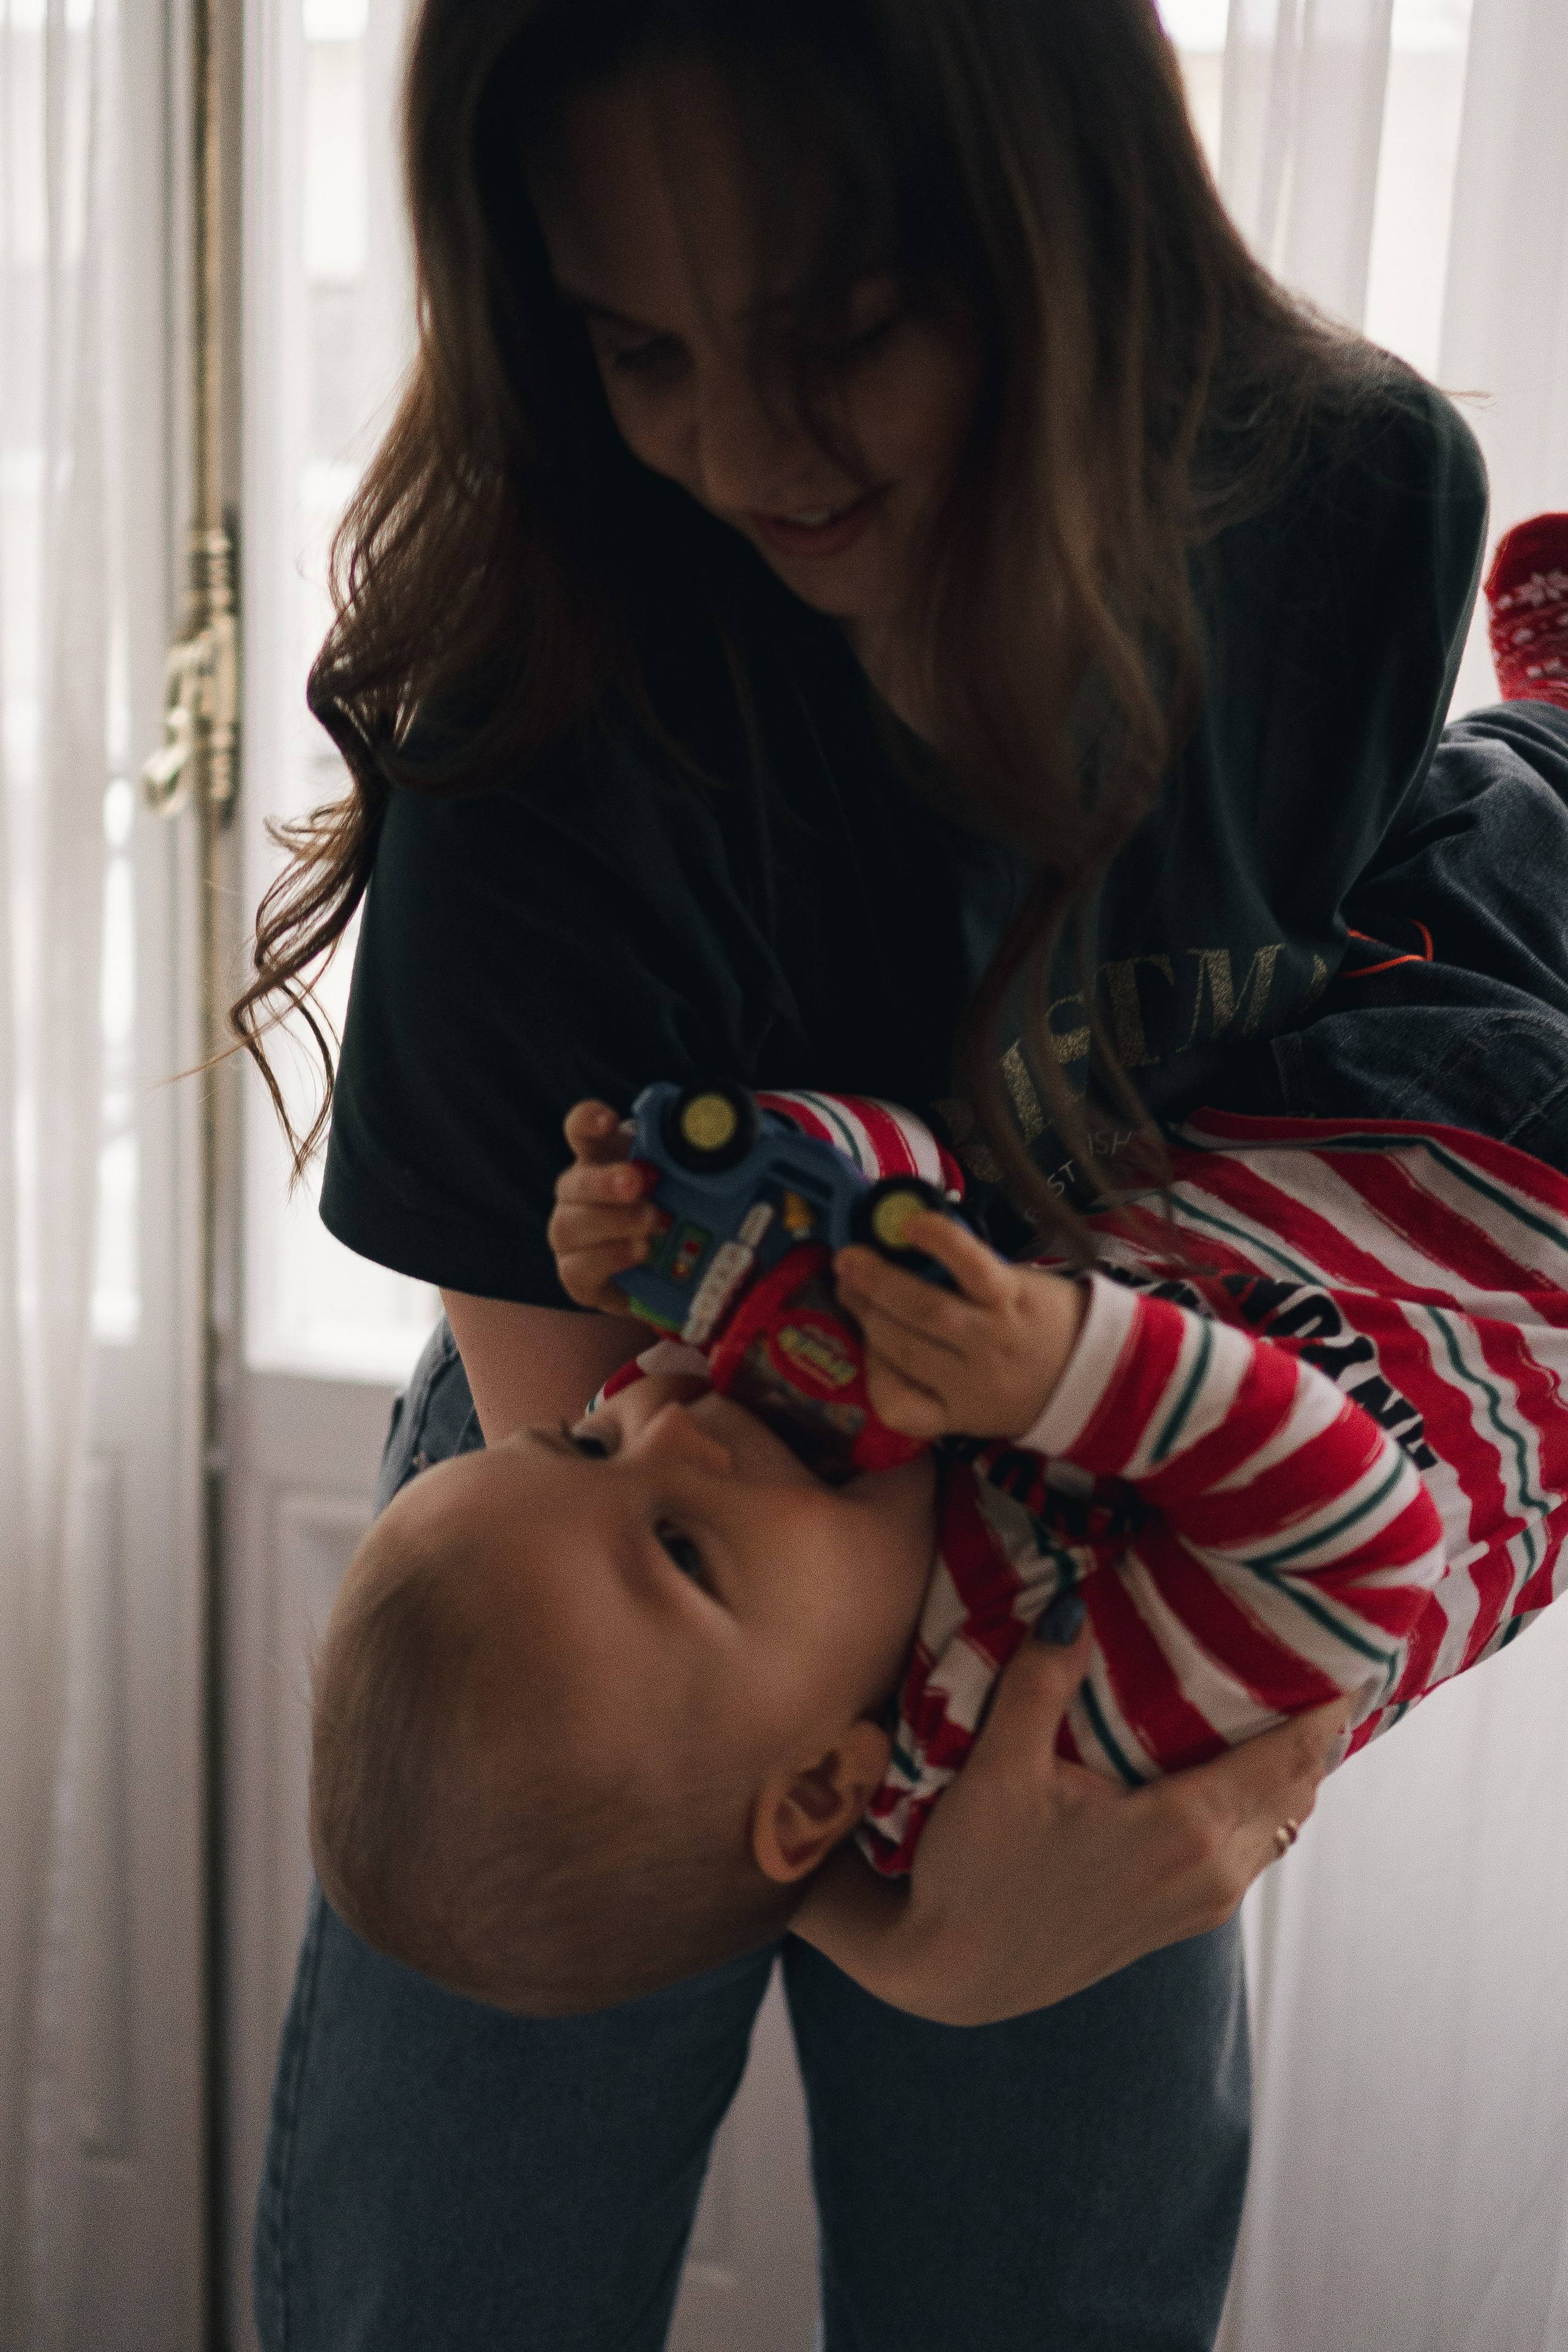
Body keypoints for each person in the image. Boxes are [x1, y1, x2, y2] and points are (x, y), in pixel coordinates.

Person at [236, 2, 1568, 2345]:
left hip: (1124, 1457)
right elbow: (622, 1429)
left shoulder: (1350, 505)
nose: (742, 451)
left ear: (1069, 223)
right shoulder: (534, 704)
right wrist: (924, 1933)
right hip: (650, 1469)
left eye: (836, 333)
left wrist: (1164, 1767)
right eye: (637, 349)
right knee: (447, 2286)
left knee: (1054, 2284)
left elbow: (1343, 1159)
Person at [307, 1086, 1568, 2022]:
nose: (671, 1423)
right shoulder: (1060, 1734)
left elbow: (924, 1196)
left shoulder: (777, 1450)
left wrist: (733, 1187)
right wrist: (1044, 1363)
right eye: (680, 1551)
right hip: (1526, 1218)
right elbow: (1360, 1540)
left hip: (1341, 1090)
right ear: (818, 1793)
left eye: (585, 1447)